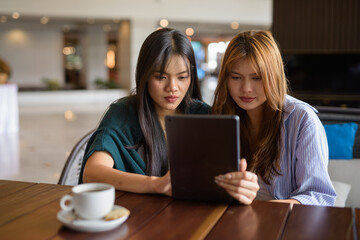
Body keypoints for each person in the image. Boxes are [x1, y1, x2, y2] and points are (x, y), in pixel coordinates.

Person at [79, 28, 210, 196]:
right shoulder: (123, 113)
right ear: (144, 76)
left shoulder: (204, 115)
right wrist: (156, 185)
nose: (172, 88)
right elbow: (93, 172)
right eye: (161, 77)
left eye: (182, 77)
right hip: (135, 216)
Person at [213, 30, 336, 206]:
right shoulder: (221, 117)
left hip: (283, 225)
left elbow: (319, 197)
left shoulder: (302, 119)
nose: (246, 88)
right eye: (236, 77)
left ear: (274, 76)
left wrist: (262, 210)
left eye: (257, 78)